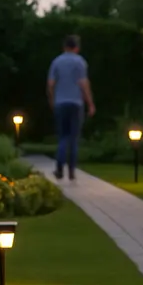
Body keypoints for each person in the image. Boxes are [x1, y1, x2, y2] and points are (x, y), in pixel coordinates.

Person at [47, 34, 95, 180]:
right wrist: (90, 104)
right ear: (76, 47)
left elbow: (50, 84)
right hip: (76, 103)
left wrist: (52, 100)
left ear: (64, 46)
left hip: (60, 103)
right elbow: (83, 84)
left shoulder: (56, 62)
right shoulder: (80, 62)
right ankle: (72, 171)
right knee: (73, 138)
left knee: (62, 137)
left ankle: (59, 169)